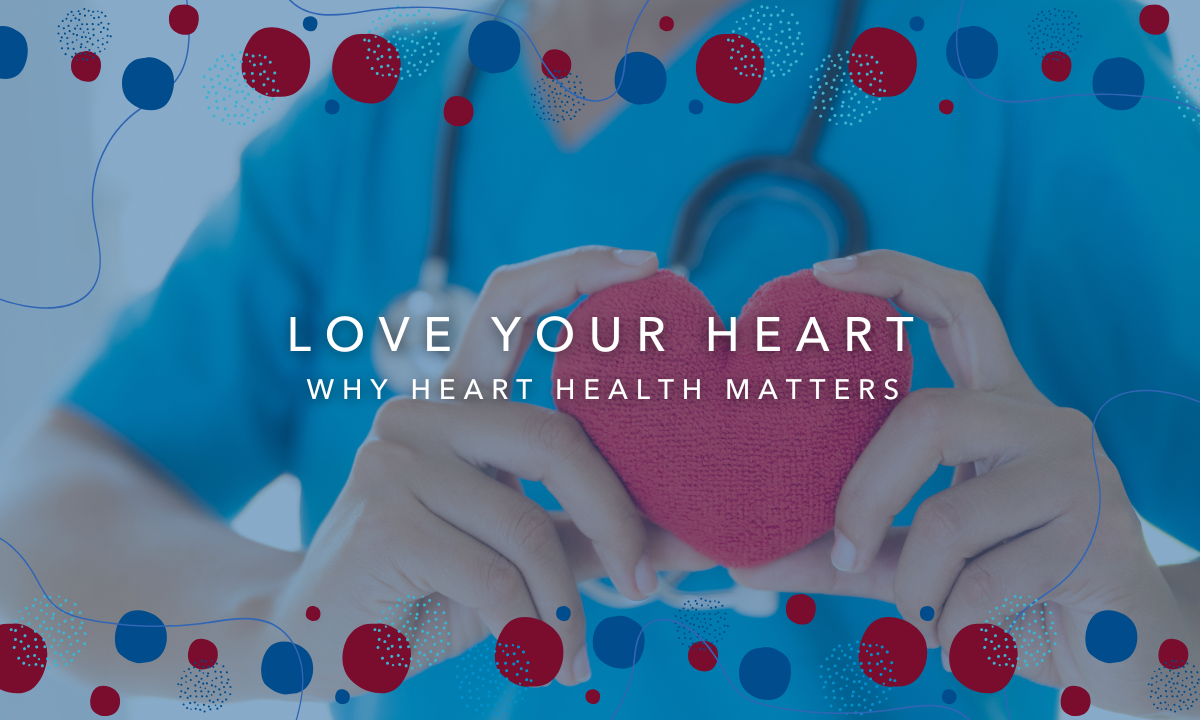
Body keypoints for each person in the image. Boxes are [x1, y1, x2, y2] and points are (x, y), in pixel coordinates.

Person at [1, 0, 1198, 717]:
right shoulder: (366, 122)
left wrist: (1154, 658)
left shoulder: (1018, 70)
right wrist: (273, 617)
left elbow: (1156, 648)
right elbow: (49, 511)